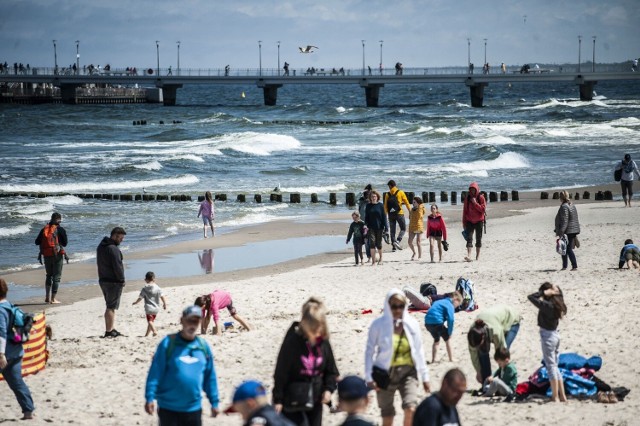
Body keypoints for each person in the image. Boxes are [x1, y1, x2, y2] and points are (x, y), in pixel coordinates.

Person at [145, 306, 220, 425]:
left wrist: (214, 402)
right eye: (189, 320)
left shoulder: (203, 347)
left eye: (196, 321)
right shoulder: (168, 343)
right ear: (182, 320)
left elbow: (210, 376)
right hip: (168, 409)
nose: (192, 324)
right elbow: (155, 372)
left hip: (193, 409)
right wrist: (149, 397)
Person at [365, 289, 430, 426]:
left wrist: (425, 377)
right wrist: (369, 377)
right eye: (394, 306)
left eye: (401, 306)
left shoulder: (412, 324)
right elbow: (369, 351)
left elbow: (419, 350)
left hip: (408, 372)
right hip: (384, 373)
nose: (397, 309)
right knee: (387, 415)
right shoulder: (378, 325)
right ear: (387, 306)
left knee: (411, 408)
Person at [273, 297, 339, 426]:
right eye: (313, 328)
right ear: (305, 324)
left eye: (319, 327)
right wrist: (278, 400)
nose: (316, 332)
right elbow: (281, 372)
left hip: (315, 398)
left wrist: (328, 390)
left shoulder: (323, 342)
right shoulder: (292, 341)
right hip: (292, 398)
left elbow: (332, 371)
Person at [0, 278, 35, 420]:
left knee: (16, 382)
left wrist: (1, 354)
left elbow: (1, 333)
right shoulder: (9, 306)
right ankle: (28, 411)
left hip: (5, 354)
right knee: (17, 382)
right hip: (16, 351)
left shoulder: (1, 310)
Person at [527, 282, 567, 402]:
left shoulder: (547, 306)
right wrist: (556, 290)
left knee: (551, 367)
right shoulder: (558, 305)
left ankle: (555, 396)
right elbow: (561, 296)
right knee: (555, 366)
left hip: (548, 336)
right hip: (555, 335)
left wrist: (544, 292)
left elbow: (531, 297)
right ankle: (562, 396)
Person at [467, 304, 521, 386]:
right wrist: (478, 371)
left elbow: (501, 350)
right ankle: (487, 382)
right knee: (482, 352)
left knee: (503, 354)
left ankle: (505, 381)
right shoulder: (472, 333)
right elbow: (473, 354)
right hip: (493, 322)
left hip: (511, 321)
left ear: (483, 337)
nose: (477, 347)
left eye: (479, 344)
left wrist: (500, 371)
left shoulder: (495, 331)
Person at [97, 226, 127, 338]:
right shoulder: (113, 249)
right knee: (111, 307)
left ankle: (111, 328)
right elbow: (118, 266)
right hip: (113, 281)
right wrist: (122, 279)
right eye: (121, 238)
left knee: (110, 306)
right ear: (115, 236)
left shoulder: (101, 246)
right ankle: (109, 331)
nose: (122, 240)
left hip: (103, 279)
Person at [224, 380, 294, 426]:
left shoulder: (258, 419)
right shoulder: (278, 416)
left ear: (250, 403)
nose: (242, 418)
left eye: (241, 413)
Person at [34, 212, 68, 304]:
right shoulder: (60, 229)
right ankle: (53, 299)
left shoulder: (44, 229)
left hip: (46, 255)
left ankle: (47, 297)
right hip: (57, 255)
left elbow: (36, 242)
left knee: (49, 275)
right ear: (59, 220)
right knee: (56, 277)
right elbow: (65, 243)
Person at [424, 292, 463, 364]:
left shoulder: (439, 301)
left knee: (436, 340)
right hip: (437, 322)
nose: (457, 307)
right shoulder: (450, 305)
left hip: (427, 323)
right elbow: (451, 319)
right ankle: (451, 358)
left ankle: (433, 360)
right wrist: (450, 332)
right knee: (447, 339)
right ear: (455, 299)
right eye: (458, 304)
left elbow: (433, 310)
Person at [132, 271, 167, 337]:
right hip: (156, 308)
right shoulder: (157, 288)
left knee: (150, 321)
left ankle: (154, 331)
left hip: (148, 308)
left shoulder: (144, 288)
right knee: (151, 321)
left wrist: (136, 302)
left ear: (146, 280)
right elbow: (162, 296)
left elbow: (140, 297)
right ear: (154, 278)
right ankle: (146, 335)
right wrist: (165, 304)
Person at [554, 190, 580, 271]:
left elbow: (565, 220)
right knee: (564, 248)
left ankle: (574, 266)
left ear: (561, 197)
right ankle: (565, 266)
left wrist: (561, 231)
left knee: (566, 248)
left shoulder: (564, 206)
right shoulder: (572, 205)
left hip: (568, 230)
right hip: (574, 229)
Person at [384, 180, 411, 251]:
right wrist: (410, 211)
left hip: (391, 214)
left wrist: (385, 215)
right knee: (403, 228)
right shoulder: (400, 192)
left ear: (390, 185)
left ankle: (393, 247)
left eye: (388, 186)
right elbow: (406, 202)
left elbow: (385, 206)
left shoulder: (387, 194)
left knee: (392, 231)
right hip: (399, 213)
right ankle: (398, 241)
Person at [462, 182, 486, 262]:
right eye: (471, 190)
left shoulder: (481, 197)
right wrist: (464, 222)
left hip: (479, 221)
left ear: (476, 190)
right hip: (469, 221)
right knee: (469, 238)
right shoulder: (467, 198)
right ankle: (469, 256)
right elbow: (465, 211)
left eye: (474, 190)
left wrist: (475, 203)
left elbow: (483, 210)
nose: (472, 191)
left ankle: (477, 256)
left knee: (478, 239)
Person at [365, 190, 388, 266]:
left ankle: (381, 258)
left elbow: (384, 217)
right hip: (371, 228)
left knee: (379, 244)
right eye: (372, 196)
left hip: (380, 227)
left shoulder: (381, 205)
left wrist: (386, 228)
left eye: (375, 196)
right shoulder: (368, 206)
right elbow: (366, 217)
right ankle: (373, 261)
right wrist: (365, 225)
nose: (373, 198)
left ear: (377, 197)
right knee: (372, 243)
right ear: (370, 198)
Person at [358, 184, 373, 261]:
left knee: (369, 241)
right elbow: (356, 200)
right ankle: (369, 256)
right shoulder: (361, 200)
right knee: (366, 241)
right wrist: (361, 193)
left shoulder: (371, 202)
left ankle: (370, 256)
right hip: (362, 223)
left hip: (369, 224)